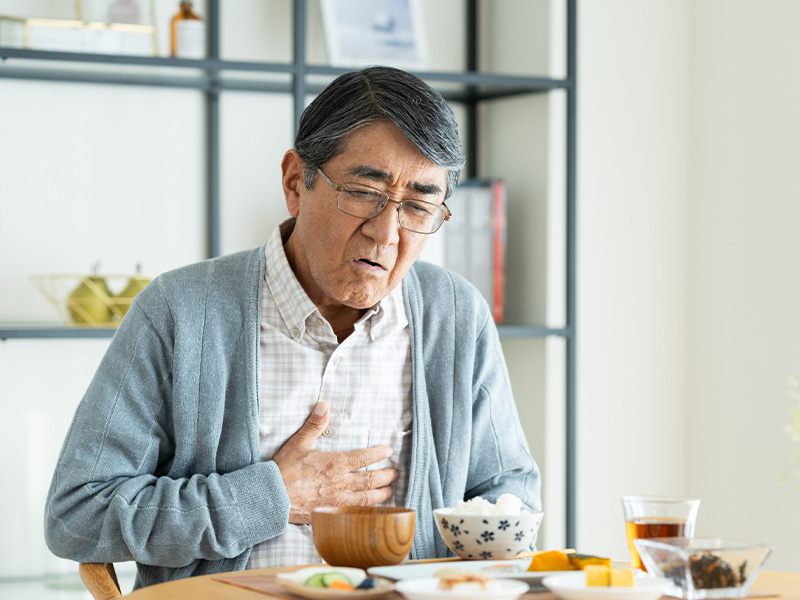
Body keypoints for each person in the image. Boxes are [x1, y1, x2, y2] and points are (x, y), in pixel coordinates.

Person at [44, 66, 541, 589]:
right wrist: (272, 496)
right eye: (364, 192)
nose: (387, 233)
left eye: (418, 207)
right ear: (294, 182)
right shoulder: (179, 311)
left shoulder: (456, 316)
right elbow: (77, 515)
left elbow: (509, 493)